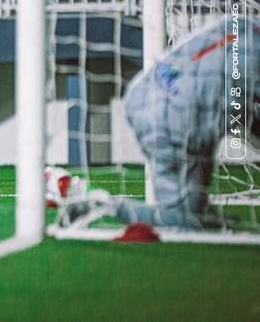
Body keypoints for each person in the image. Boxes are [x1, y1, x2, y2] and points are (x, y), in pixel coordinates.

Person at [65, 15, 259, 229]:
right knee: (184, 223)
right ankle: (104, 206)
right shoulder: (251, 51)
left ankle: (201, 217)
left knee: (195, 214)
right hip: (177, 119)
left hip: (149, 94)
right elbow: (244, 115)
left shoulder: (241, 25)